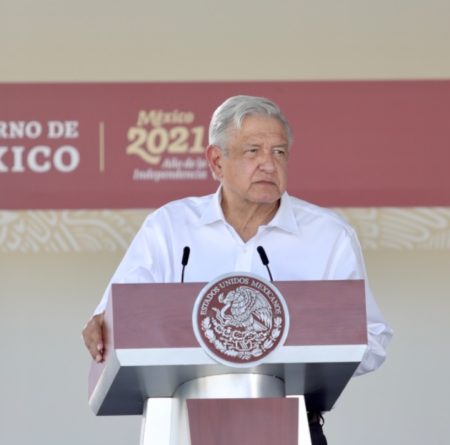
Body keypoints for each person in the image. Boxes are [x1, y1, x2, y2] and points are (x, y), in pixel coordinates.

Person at [82, 95, 393, 444]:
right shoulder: (169, 228)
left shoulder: (328, 236)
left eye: (279, 152)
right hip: (182, 429)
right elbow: (113, 324)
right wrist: (101, 328)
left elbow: (373, 337)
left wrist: (317, 350)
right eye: (253, 151)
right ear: (217, 161)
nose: (268, 164)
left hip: (291, 427)